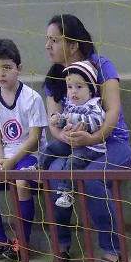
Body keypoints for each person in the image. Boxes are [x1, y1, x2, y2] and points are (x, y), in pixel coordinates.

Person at [44, 13, 131, 262]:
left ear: (73, 44)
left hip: (112, 144)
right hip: (75, 146)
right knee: (56, 173)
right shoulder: (53, 78)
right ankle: (61, 245)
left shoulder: (102, 66)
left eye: (54, 40)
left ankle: (112, 249)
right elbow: (53, 122)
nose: (48, 46)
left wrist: (92, 137)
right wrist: (67, 136)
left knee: (92, 177)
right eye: (47, 40)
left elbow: (113, 111)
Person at [0, 38, 47, 262]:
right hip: (6, 155)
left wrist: (10, 162)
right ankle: (0, 240)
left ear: (19, 68)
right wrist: (0, 159)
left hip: (31, 155)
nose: (1, 73)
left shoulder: (32, 98)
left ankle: (22, 243)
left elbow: (34, 140)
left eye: (7, 67)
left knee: (21, 182)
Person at [39, 60, 106, 209]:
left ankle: (66, 192)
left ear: (90, 90)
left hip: (90, 147)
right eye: (69, 87)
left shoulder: (93, 105)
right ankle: (39, 169)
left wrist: (74, 119)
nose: (73, 91)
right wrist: (58, 119)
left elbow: (96, 122)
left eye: (79, 87)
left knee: (72, 161)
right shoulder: (71, 105)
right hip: (72, 143)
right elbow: (65, 119)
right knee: (52, 147)